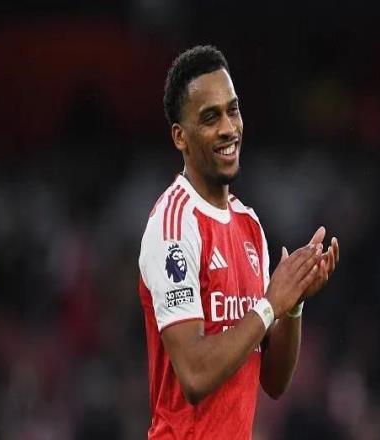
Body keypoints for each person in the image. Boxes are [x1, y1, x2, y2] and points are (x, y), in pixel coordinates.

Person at [138, 45, 339, 440]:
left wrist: (293, 305)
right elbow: (194, 375)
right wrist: (270, 305)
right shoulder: (174, 225)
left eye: (233, 110)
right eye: (210, 117)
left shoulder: (248, 225)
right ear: (180, 137)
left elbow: (274, 382)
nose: (229, 128)